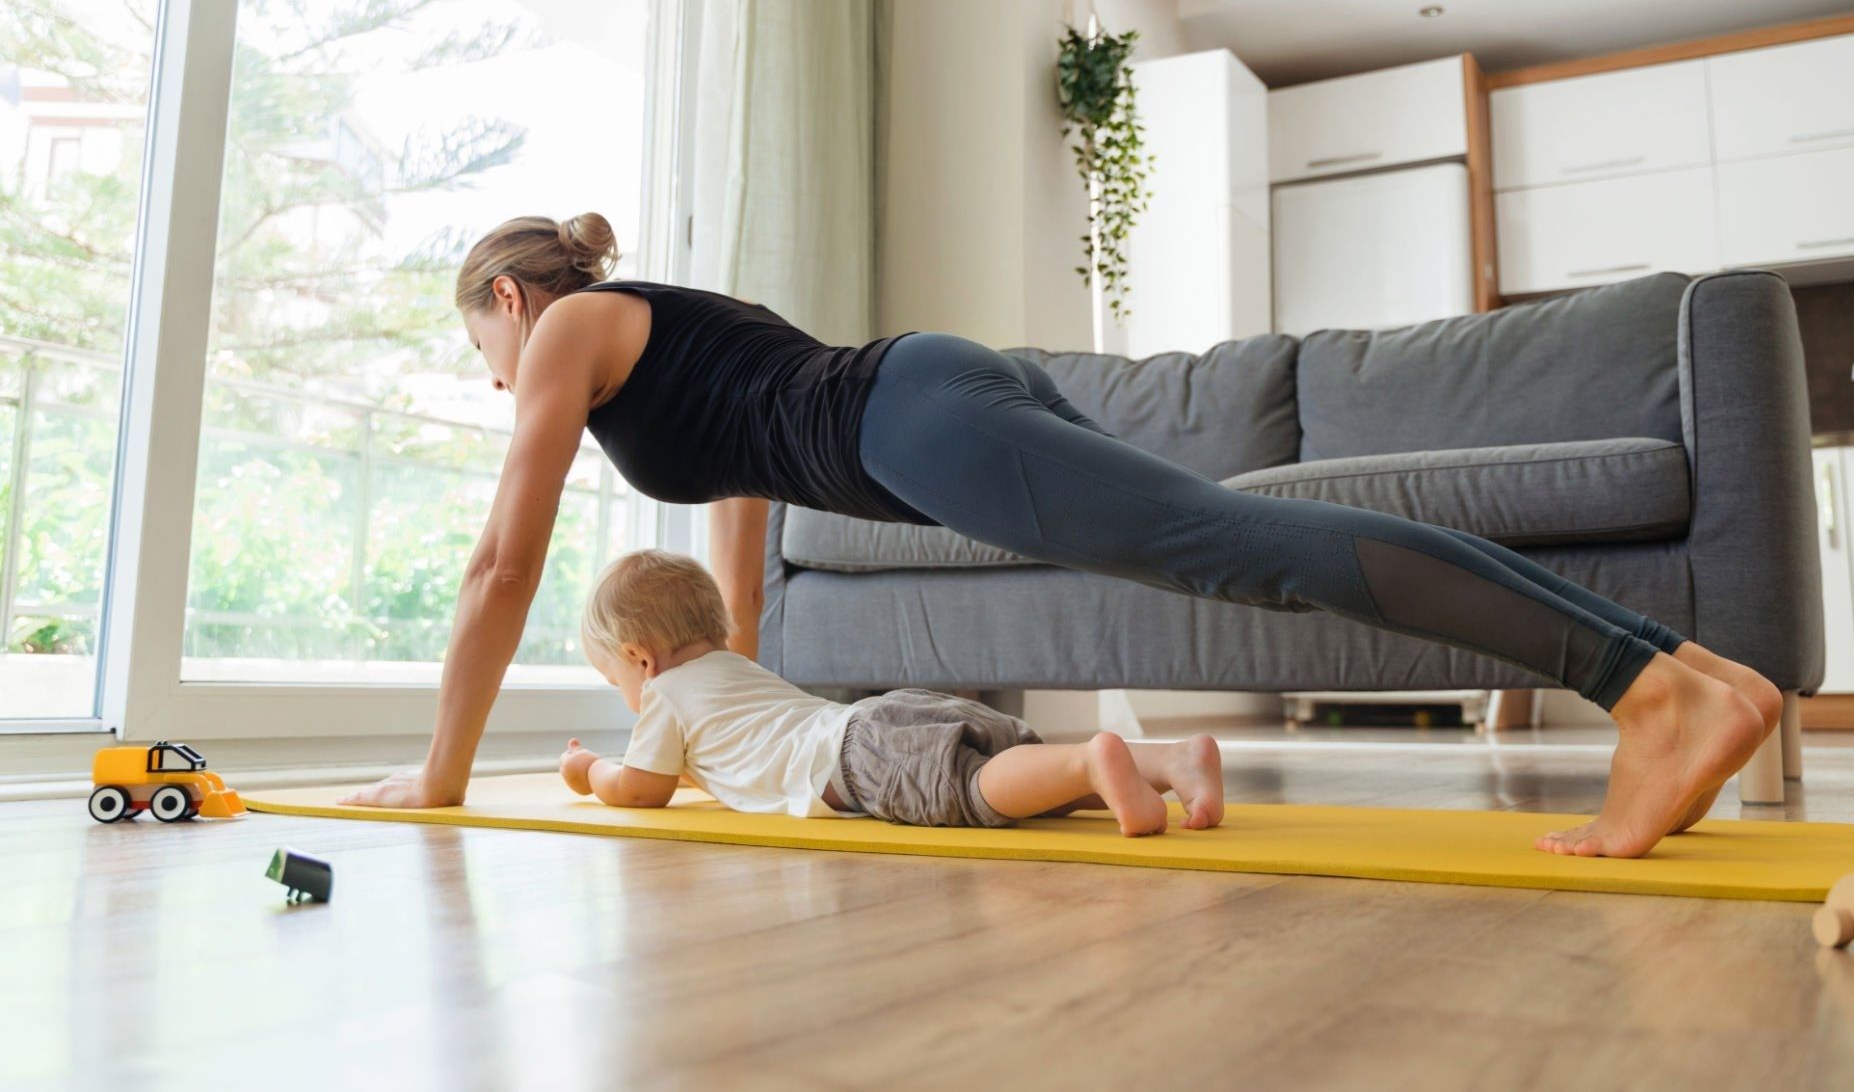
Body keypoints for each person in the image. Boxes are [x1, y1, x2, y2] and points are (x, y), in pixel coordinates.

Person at [343, 212, 1780, 859]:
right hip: (925, 394)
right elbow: (742, 478)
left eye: (484, 346)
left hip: (917, 422)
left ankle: (1640, 691)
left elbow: (501, 565)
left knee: (1246, 545)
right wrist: (749, 676)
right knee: (1238, 540)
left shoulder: (565, 331)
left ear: (509, 302)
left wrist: (444, 772)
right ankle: (1699, 678)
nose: (491, 380)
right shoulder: (641, 329)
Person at [559, 549, 1225, 836]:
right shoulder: (735, 668)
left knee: (974, 792)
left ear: (639, 658)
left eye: (613, 676)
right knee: (1014, 776)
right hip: (884, 713)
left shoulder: (665, 694)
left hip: (858, 757)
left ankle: (1091, 760)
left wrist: (591, 771)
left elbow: (643, 787)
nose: (625, 690)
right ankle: (1169, 761)